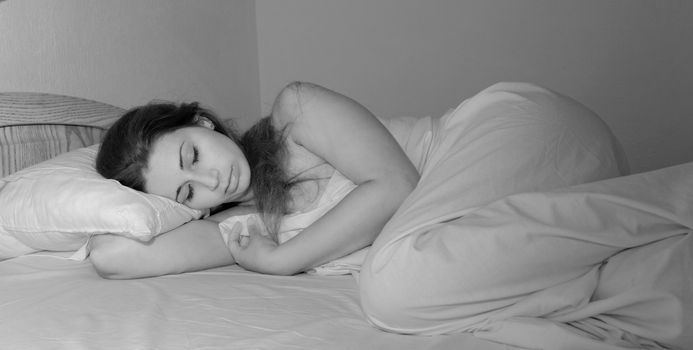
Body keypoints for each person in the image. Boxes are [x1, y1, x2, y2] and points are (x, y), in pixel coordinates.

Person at [90, 81, 691, 349]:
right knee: (644, 290)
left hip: (518, 134)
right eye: (186, 193)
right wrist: (125, 203)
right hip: (517, 207)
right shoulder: (241, 228)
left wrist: (278, 263)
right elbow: (114, 257)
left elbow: (395, 183)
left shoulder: (295, 111)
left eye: (192, 156)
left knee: (392, 291)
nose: (208, 181)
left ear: (201, 122)